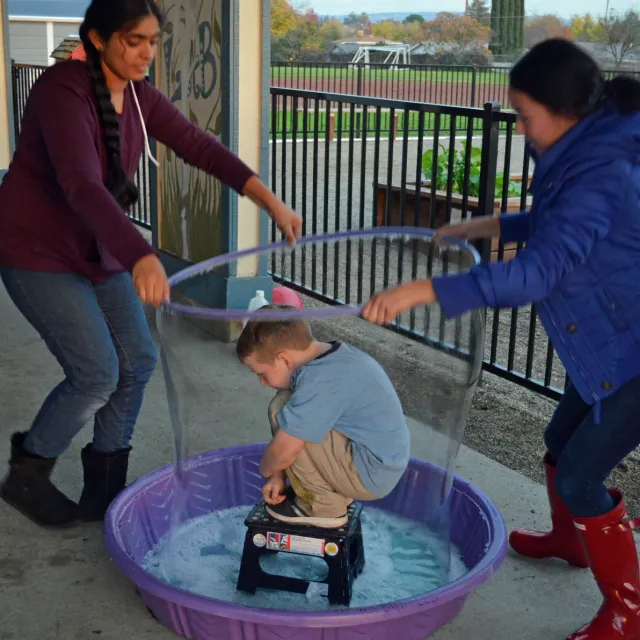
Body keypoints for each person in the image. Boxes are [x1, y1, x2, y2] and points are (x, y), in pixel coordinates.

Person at [363, 38, 640, 639]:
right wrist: (489, 223)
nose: (518, 126)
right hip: (609, 344)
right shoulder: (581, 146)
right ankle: (572, 541)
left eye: (524, 114)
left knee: (578, 475)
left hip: (634, 357)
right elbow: (555, 223)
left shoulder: (603, 170)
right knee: (559, 438)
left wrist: (419, 293)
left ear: (563, 110)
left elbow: (536, 272)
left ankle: (628, 613)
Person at [0, 0, 302, 529]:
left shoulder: (140, 98)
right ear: (97, 39)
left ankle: (105, 488)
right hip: (37, 252)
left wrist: (268, 199)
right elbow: (82, 186)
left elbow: (199, 147)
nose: (146, 53)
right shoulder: (59, 92)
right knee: (96, 373)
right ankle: (28, 470)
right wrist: (142, 254)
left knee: (138, 360)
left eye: (153, 41)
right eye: (132, 40)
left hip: (99, 249)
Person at [236, 306, 410, 529]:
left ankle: (324, 508)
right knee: (292, 410)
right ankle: (335, 493)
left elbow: (283, 451)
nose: (262, 382)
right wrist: (278, 477)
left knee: (282, 410)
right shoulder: (334, 358)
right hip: (383, 463)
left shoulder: (319, 382)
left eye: (262, 373)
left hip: (370, 474)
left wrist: (266, 470)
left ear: (285, 360)